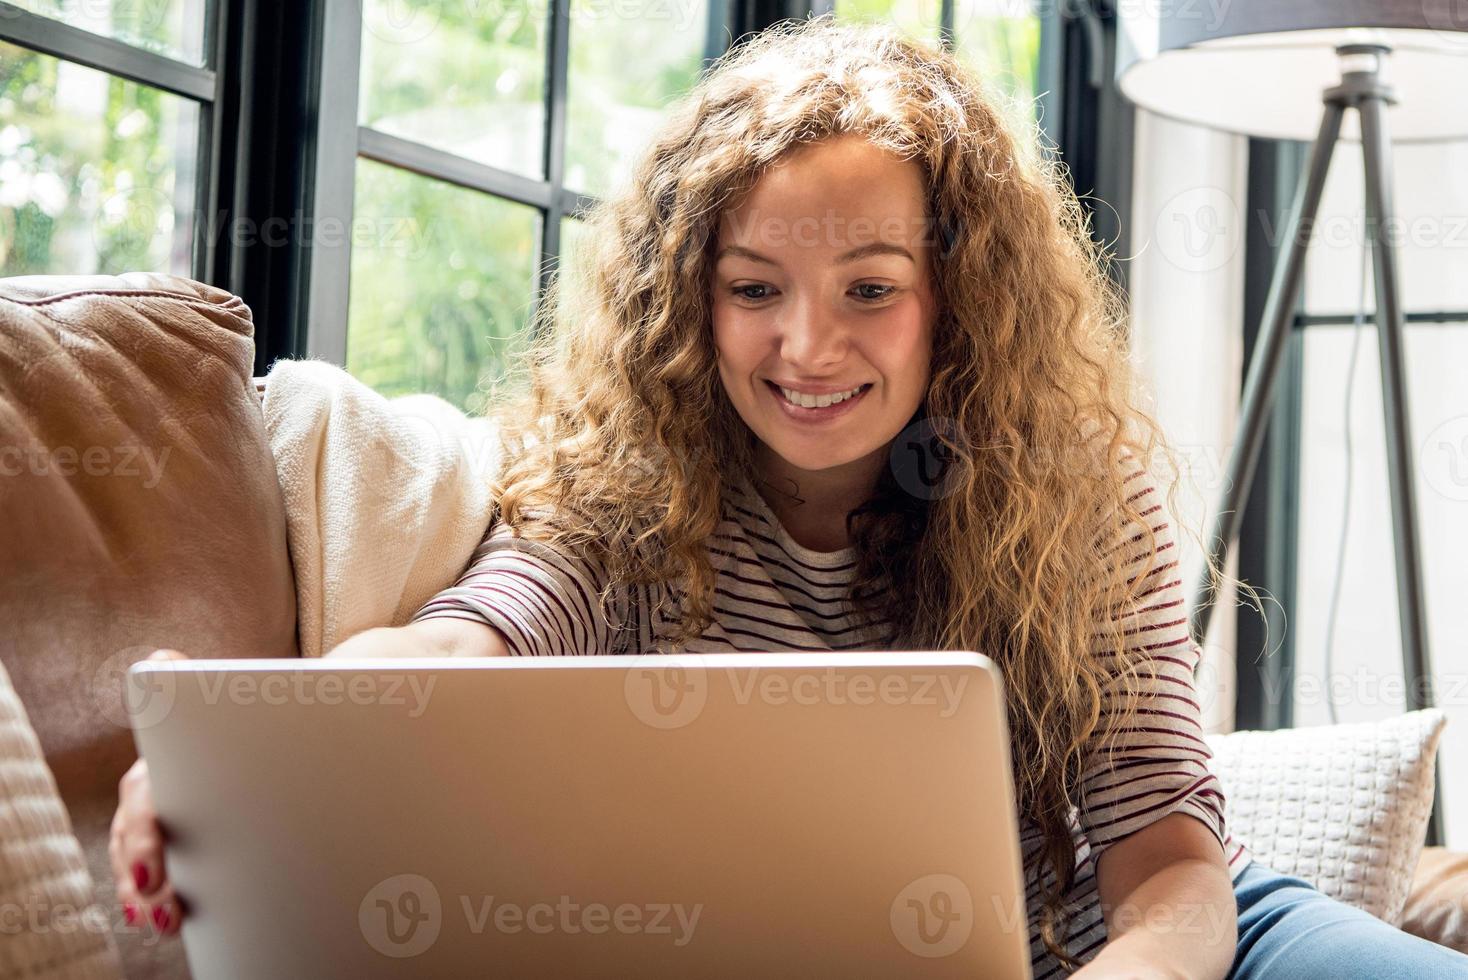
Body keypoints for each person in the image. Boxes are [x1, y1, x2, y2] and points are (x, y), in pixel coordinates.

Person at [109, 15, 1468, 978]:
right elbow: (472, 638)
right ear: (693, 299)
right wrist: (241, 743)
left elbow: (1167, 855)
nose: (806, 349)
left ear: (958, 304)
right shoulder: (626, 488)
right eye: (755, 288)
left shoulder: (1072, 487)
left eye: (869, 289)